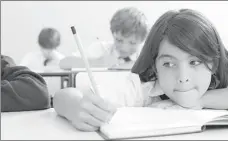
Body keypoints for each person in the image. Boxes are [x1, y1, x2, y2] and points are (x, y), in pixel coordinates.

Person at [53, 9, 228, 131]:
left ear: (213, 62)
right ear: (155, 66)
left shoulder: (221, 74)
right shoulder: (144, 87)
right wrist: (74, 107)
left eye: (195, 62)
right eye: (169, 64)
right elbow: (62, 96)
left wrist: (202, 100)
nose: (183, 78)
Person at [60, 7, 149, 69]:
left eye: (132, 43)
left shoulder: (147, 56)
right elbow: (63, 63)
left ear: (142, 40)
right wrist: (97, 63)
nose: (124, 47)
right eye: (119, 40)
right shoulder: (101, 48)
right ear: (113, 34)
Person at [20, 28, 65, 96]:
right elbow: (18, 73)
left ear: (56, 46)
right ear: (40, 45)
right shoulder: (30, 58)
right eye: (44, 47)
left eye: (50, 48)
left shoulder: (62, 61)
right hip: (33, 97)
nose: (47, 52)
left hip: (55, 98)